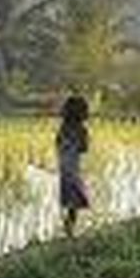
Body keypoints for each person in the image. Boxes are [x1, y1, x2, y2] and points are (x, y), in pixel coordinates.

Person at [56, 94, 90, 236]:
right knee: (75, 200)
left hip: (64, 167)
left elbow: (58, 144)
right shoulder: (81, 129)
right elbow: (84, 148)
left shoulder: (63, 128)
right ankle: (70, 230)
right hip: (73, 168)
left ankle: (69, 229)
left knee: (71, 200)